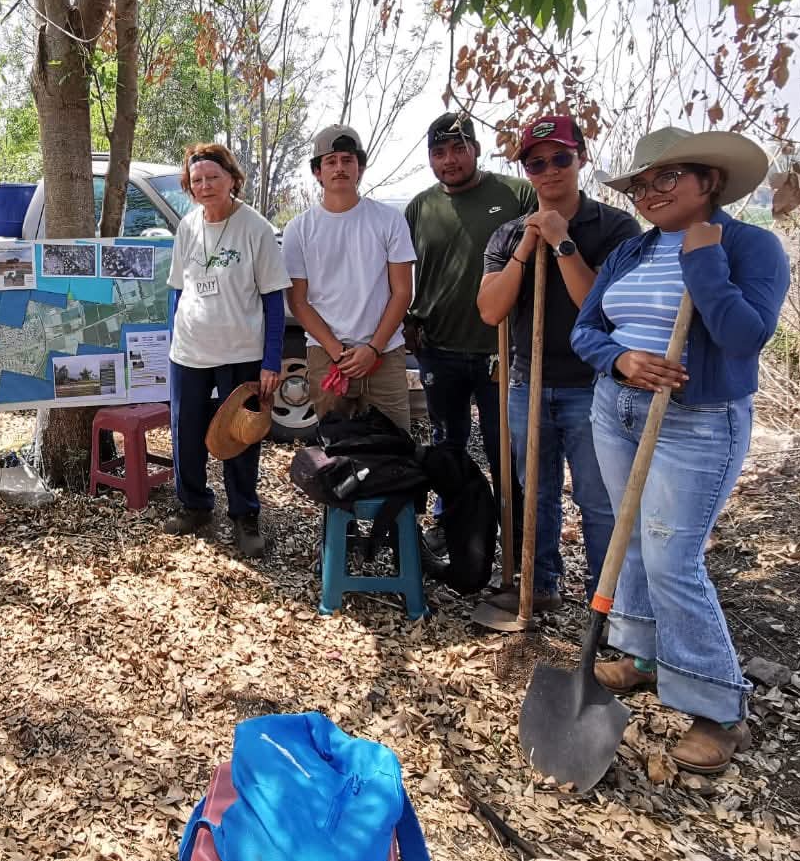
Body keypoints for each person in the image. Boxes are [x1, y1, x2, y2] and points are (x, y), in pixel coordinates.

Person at [572, 126, 786, 773]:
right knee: (628, 538)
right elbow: (587, 330)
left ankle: (717, 707)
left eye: (665, 178)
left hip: (695, 421)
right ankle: (640, 655)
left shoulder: (749, 247)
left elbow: (744, 335)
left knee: (672, 557)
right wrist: (620, 360)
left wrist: (702, 259)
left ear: (709, 181)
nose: (649, 192)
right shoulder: (632, 251)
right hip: (618, 408)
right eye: (641, 183)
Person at [476, 116, 640, 612]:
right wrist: (529, 245)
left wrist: (562, 242)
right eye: (536, 162)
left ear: (582, 159)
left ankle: (606, 602)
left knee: (598, 498)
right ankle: (539, 585)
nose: (549, 171)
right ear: (525, 170)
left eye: (561, 158)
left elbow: (602, 307)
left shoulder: (616, 228)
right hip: (527, 381)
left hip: (594, 388)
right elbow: (490, 310)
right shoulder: (507, 236)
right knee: (536, 494)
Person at [164, 143, 291, 555]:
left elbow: (274, 297)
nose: (204, 186)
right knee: (186, 435)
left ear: (232, 180)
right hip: (189, 354)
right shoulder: (187, 227)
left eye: (212, 178)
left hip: (241, 352)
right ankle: (194, 505)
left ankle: (244, 515)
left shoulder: (255, 229)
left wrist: (271, 360)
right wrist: (173, 339)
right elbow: (177, 291)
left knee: (241, 436)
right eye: (196, 180)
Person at [404, 112, 536, 494]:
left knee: (506, 453)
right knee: (448, 449)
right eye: (439, 152)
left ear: (476, 150)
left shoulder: (516, 196)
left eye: (459, 149)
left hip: (503, 351)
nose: (450, 160)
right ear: (430, 159)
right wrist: (410, 320)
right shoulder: (419, 208)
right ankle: (453, 531)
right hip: (439, 349)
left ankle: (513, 539)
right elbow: (402, 274)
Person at [284, 123, 416, 433]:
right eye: (330, 161)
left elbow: (402, 292)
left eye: (347, 160)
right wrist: (335, 351)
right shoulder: (299, 230)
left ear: (360, 167)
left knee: (395, 449)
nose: (339, 168)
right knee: (337, 452)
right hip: (326, 355)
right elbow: (299, 301)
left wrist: (373, 349)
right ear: (318, 171)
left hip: (384, 354)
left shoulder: (389, 220)